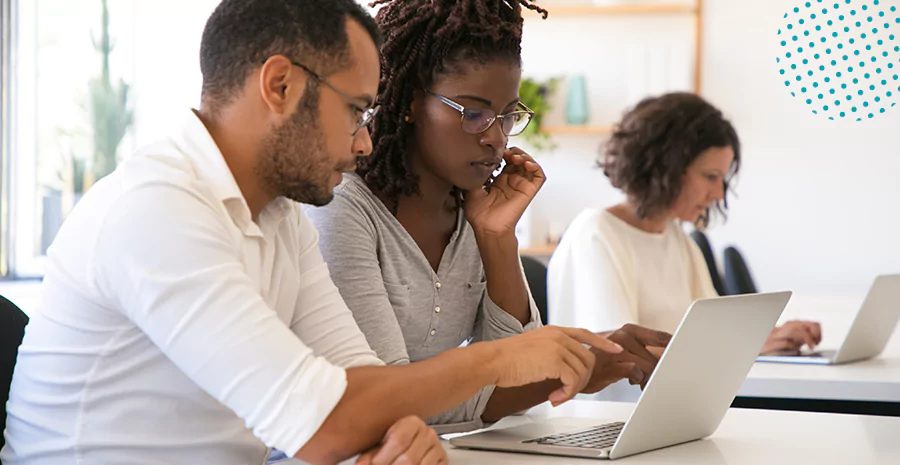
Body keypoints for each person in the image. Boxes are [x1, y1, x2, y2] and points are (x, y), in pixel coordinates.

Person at [0, 2, 626, 464]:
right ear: (280, 85)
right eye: (356, 110)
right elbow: (325, 422)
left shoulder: (279, 216)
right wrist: (500, 357)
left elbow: (364, 387)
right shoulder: (157, 209)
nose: (364, 141)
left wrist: (393, 434)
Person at [306, 0, 670, 435]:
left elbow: (518, 370)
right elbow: (387, 403)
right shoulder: (343, 208)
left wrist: (496, 236)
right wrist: (578, 368)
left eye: (507, 116)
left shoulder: (473, 211)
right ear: (410, 103)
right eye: (474, 114)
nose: (495, 139)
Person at [547, 92, 821, 357]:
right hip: (616, 404)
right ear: (666, 169)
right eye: (710, 176)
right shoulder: (596, 233)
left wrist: (774, 335)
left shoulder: (675, 237)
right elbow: (619, 355)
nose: (719, 194)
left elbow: (719, 332)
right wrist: (747, 346)